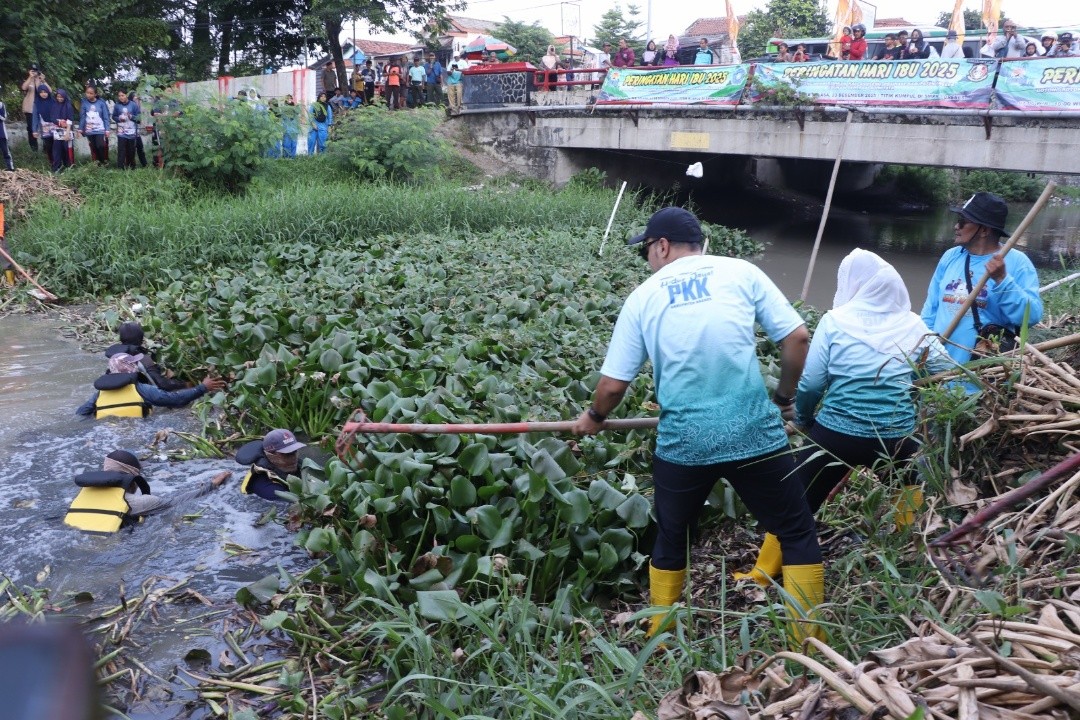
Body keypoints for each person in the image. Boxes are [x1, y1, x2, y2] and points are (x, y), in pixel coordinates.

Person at [571, 207, 822, 644]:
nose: (647, 260)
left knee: (671, 536)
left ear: (662, 246)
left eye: (647, 250)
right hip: (754, 434)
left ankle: (659, 631)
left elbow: (612, 386)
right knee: (795, 530)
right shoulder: (741, 272)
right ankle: (810, 640)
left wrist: (593, 418)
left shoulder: (644, 296)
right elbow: (798, 338)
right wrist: (783, 400)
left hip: (684, 443)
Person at [734, 250, 951, 587]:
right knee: (909, 488)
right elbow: (945, 371)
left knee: (796, 503)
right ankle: (904, 563)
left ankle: (763, 574)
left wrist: (804, 420)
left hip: (836, 436)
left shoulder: (835, 322)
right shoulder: (914, 324)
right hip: (895, 438)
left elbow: (811, 384)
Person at [920, 192, 1043, 364]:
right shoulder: (950, 257)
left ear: (984, 230)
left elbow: (1030, 317)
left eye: (963, 222)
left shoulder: (1017, 263)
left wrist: (1002, 280)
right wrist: (923, 346)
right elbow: (931, 308)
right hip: (937, 372)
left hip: (981, 375)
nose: (956, 226)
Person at [64, 449, 229, 533]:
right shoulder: (139, 502)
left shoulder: (80, 497)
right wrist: (211, 485)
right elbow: (176, 502)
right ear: (133, 478)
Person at [76, 353, 226, 418]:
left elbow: (81, 414)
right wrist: (203, 388)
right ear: (130, 369)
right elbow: (175, 399)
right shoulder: (142, 390)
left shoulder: (98, 395)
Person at [104, 322, 189, 391]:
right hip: (141, 397)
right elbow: (162, 384)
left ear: (121, 338)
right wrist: (185, 384)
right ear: (141, 338)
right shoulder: (142, 358)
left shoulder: (115, 358)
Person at [235, 429, 305, 500]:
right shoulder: (266, 487)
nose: (293, 458)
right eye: (287, 454)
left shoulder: (300, 465)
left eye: (294, 451)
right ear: (269, 455)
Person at [79, 85, 110, 165]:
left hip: (100, 129)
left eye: (91, 93)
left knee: (100, 145)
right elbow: (82, 117)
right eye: (87, 93)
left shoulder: (101, 103)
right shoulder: (84, 103)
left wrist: (107, 129)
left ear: (95, 94)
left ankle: (103, 161)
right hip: (89, 129)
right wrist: (80, 128)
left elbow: (106, 117)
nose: (88, 95)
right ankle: (98, 163)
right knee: (94, 147)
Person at [21, 65, 48, 151]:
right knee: (31, 128)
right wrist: (30, 77)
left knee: (45, 127)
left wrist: (43, 80)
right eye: (33, 70)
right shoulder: (28, 80)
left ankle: (46, 149)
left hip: (41, 108)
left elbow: (49, 91)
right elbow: (23, 87)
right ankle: (34, 150)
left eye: (36, 71)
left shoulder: (41, 80)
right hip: (30, 108)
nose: (35, 72)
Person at [112, 89, 140, 169]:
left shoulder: (133, 105)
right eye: (119, 96)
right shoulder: (117, 105)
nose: (121, 97)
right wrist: (119, 119)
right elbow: (113, 116)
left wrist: (131, 116)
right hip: (121, 132)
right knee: (121, 150)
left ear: (126, 95)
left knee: (131, 150)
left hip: (131, 131)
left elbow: (139, 118)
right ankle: (120, 167)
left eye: (122, 95)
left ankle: (132, 166)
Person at [0, 86, 13, 171]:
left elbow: (4, 117)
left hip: (1, 133)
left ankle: (10, 168)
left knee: (5, 151)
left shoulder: (1, 105)